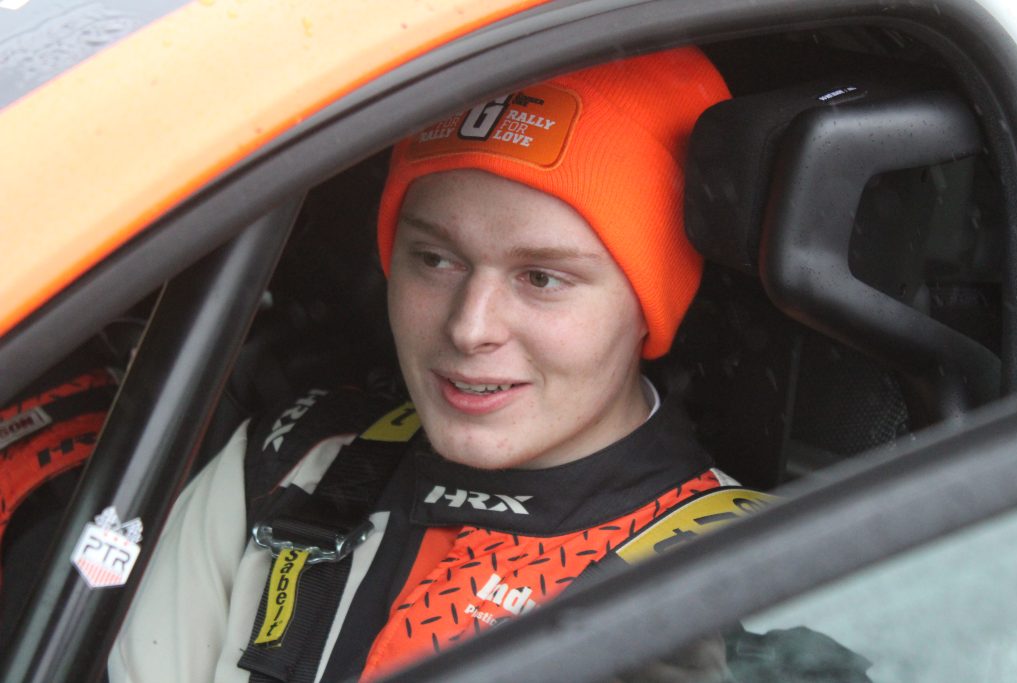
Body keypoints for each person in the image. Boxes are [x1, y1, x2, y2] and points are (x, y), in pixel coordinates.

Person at [108, 46, 737, 682]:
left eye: (542, 278)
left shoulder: (745, 576)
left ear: (648, 302)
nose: (470, 327)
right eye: (436, 259)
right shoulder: (292, 459)